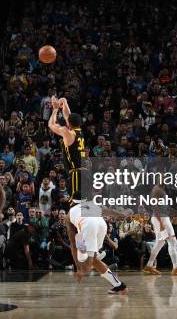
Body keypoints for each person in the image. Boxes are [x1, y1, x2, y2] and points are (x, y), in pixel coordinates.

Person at [48, 96, 127, 294]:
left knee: (85, 260)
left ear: (68, 124)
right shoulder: (78, 131)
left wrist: (54, 109)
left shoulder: (68, 132)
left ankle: (90, 260)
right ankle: (117, 284)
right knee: (89, 256)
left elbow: (52, 125)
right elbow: (69, 118)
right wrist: (64, 104)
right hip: (88, 192)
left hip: (77, 175)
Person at [143, 185, 177, 275]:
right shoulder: (157, 189)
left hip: (161, 218)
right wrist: (161, 223)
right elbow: (155, 206)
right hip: (161, 219)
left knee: (160, 242)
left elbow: (163, 207)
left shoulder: (161, 190)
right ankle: (176, 268)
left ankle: (148, 266)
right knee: (172, 241)